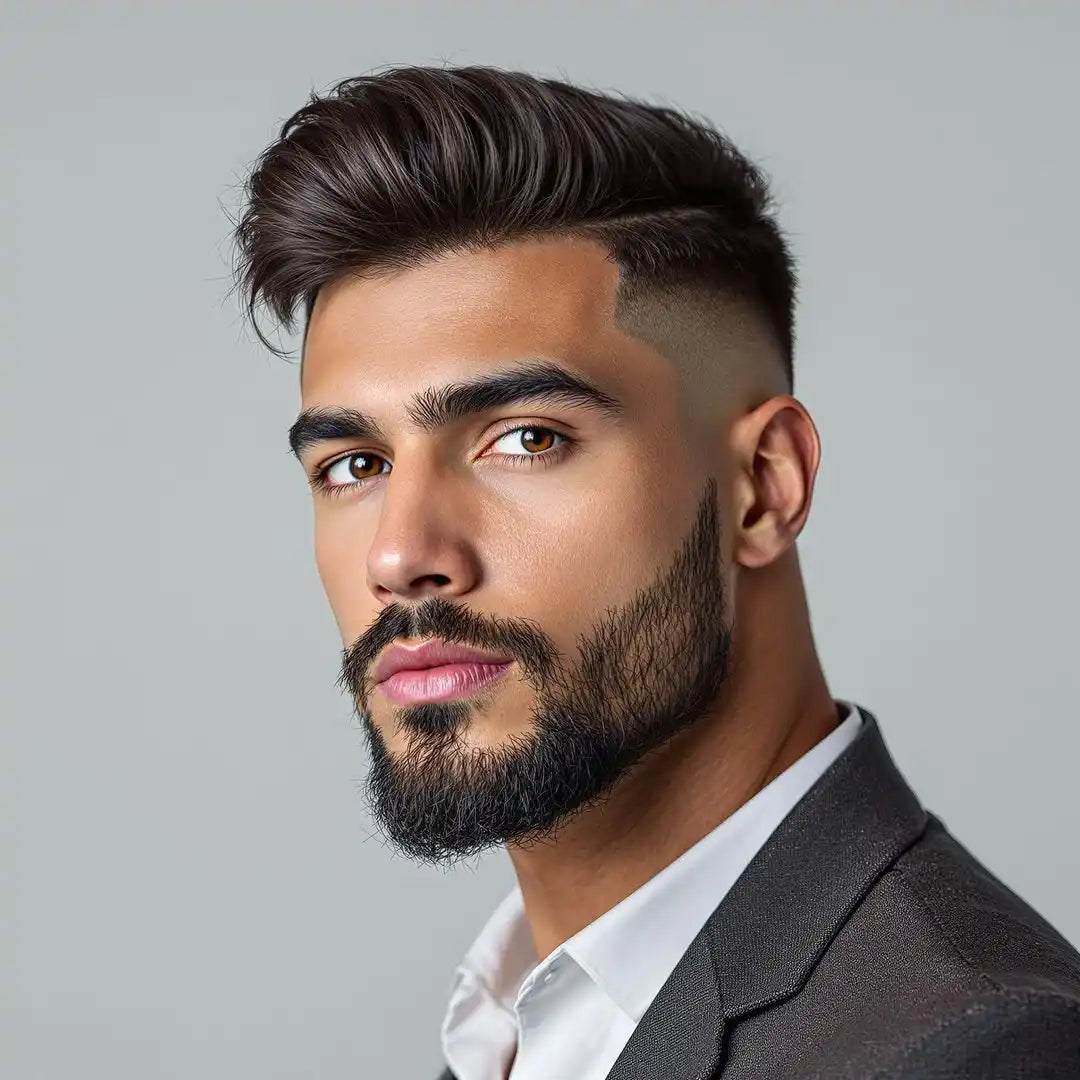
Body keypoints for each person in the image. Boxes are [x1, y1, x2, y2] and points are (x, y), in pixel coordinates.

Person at [230, 64, 1080, 1079]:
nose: (402, 554)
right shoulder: (515, 1024)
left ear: (763, 488)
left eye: (527, 439)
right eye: (355, 466)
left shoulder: (981, 1050)